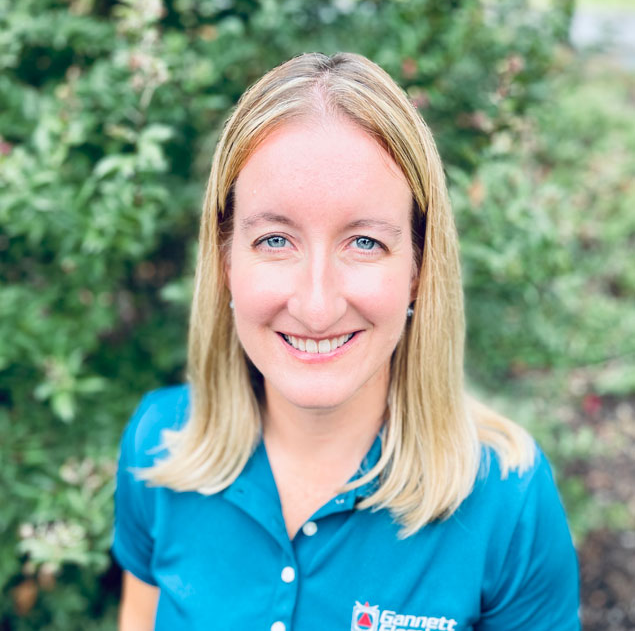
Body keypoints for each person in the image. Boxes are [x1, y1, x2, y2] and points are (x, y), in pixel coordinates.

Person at [113, 53, 580, 630]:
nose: (316, 305)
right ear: (226, 258)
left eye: (364, 243)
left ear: (417, 266)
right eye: (276, 240)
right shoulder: (160, 446)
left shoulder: (508, 500)